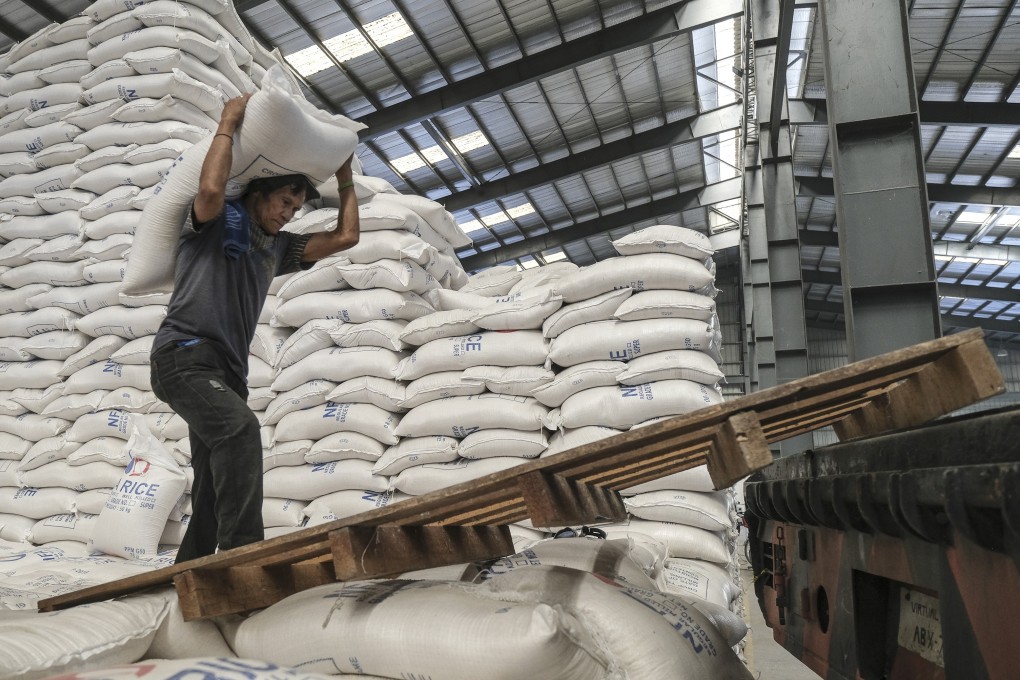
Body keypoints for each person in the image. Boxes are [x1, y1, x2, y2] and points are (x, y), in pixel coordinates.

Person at [150, 93, 360, 563]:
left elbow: (346, 237)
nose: (288, 212)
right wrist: (228, 121)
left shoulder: (278, 248)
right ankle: (247, 556)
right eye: (285, 200)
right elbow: (208, 191)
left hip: (227, 371)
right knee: (240, 431)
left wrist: (345, 175)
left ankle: (194, 566)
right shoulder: (215, 223)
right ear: (259, 192)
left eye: (296, 208)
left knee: (210, 477)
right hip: (183, 356)